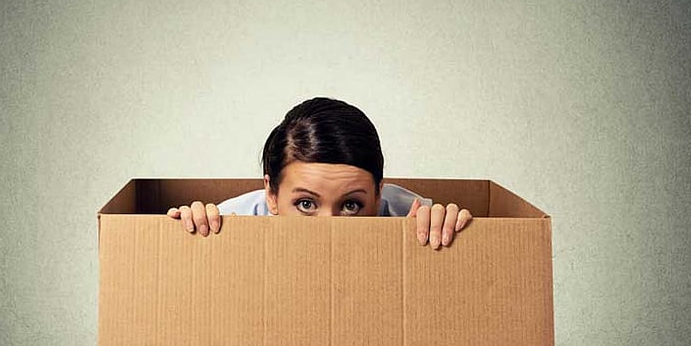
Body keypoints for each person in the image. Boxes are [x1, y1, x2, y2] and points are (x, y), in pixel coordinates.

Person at [167, 97, 472, 249]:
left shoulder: (412, 218)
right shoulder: (230, 222)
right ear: (271, 195)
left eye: (351, 205)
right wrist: (193, 236)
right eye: (306, 204)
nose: (330, 230)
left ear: (379, 194)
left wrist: (449, 241)